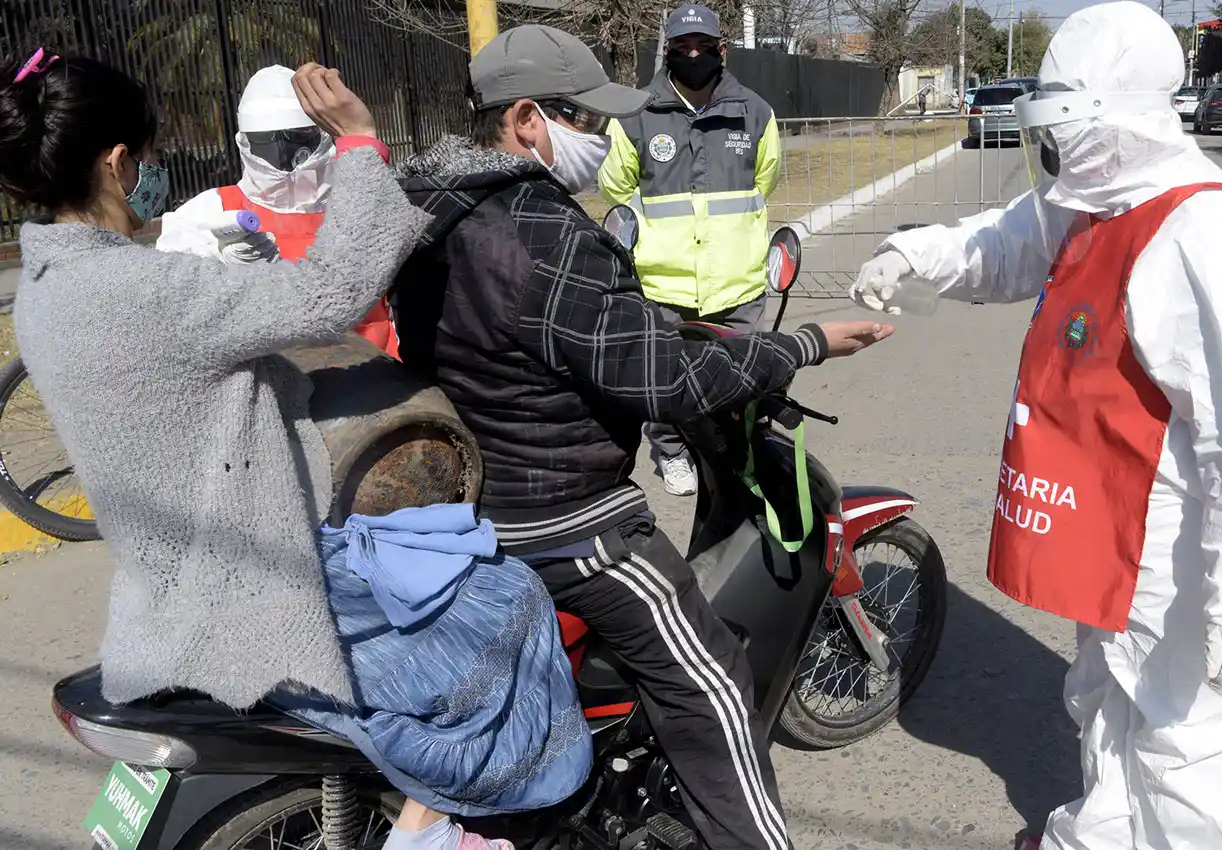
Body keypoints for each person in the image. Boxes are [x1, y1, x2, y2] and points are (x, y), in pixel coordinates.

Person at [0, 51, 585, 850]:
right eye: (150, 158)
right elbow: (330, 294)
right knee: (511, 604)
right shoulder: (140, 289)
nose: (156, 174)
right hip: (254, 580)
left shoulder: (45, 289)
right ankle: (439, 825)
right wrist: (358, 142)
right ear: (116, 163)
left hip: (174, 576)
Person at [390, 24, 892, 850]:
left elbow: (554, 339)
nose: (600, 137)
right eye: (584, 119)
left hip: (472, 502)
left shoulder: (431, 209)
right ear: (525, 120)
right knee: (715, 684)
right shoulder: (541, 230)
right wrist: (804, 345)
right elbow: (672, 383)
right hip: (564, 520)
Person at [849, 4, 1222, 849]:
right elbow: (1005, 243)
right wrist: (914, 254)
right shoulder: (1097, 200)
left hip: (1179, 544)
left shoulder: (1203, 234)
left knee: (1183, 736)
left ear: (1119, 118)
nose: (1054, 155)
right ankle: (1100, 834)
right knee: (1101, 693)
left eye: (1065, 130)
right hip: (1110, 522)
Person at [598, 4, 782, 497]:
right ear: (667, 52)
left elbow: (764, 182)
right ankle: (671, 449)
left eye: (703, 45)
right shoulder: (636, 116)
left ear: (722, 50)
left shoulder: (755, 113)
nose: (693, 54)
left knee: (737, 379)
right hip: (664, 282)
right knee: (662, 378)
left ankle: (732, 451)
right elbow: (616, 190)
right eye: (682, 47)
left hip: (737, 281)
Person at [155, 64, 401, 358]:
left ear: (322, 134)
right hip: (281, 386)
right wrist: (217, 268)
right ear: (245, 141)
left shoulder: (357, 197)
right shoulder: (206, 213)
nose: (284, 154)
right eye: (265, 141)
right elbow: (172, 307)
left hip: (382, 376)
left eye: (298, 137)